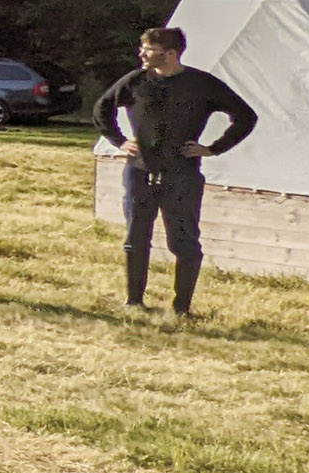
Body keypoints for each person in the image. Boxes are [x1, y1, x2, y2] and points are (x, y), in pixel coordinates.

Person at [94, 23, 260, 317]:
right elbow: (102, 108)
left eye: (149, 50)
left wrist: (214, 148)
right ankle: (134, 301)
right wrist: (119, 141)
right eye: (142, 48)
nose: (142, 54)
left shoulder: (201, 84)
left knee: (183, 242)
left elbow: (246, 116)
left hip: (182, 175)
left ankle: (181, 308)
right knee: (136, 238)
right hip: (139, 172)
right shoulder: (135, 81)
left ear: (171, 53)